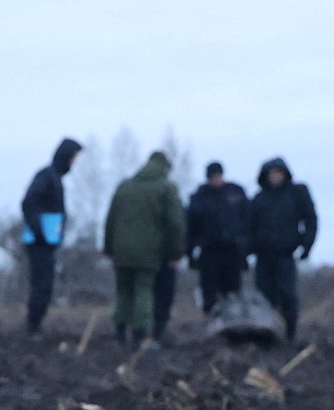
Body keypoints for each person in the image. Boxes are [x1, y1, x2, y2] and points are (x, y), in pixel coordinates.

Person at [103, 150, 186, 352]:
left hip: (121, 251)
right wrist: (176, 254)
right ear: (165, 168)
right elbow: (176, 224)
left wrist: (109, 248)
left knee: (123, 292)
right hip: (149, 252)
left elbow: (111, 219)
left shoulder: (125, 187)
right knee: (143, 290)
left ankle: (120, 333)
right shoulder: (166, 188)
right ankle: (139, 337)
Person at [246, 157, 316, 339]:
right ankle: (266, 333)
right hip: (263, 256)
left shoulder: (296, 194)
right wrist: (246, 251)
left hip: (285, 254)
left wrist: (306, 245)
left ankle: (290, 333)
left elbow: (310, 219)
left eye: (278, 173)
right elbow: (248, 227)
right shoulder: (259, 199)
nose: (274, 177)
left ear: (285, 174)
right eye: (271, 174)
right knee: (263, 297)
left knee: (288, 296)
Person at [18, 138, 81, 335]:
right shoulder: (46, 177)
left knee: (45, 285)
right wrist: (42, 231)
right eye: (73, 158)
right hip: (40, 243)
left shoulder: (54, 178)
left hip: (46, 242)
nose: (74, 163)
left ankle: (35, 326)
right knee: (42, 286)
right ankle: (33, 328)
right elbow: (29, 203)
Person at [185, 161, 250, 313]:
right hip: (209, 251)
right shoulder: (199, 198)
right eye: (212, 177)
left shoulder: (236, 193)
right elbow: (191, 227)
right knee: (209, 292)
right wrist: (190, 253)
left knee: (233, 291)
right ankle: (212, 322)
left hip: (232, 250)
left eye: (217, 176)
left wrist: (245, 248)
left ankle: (234, 323)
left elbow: (247, 221)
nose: (215, 180)